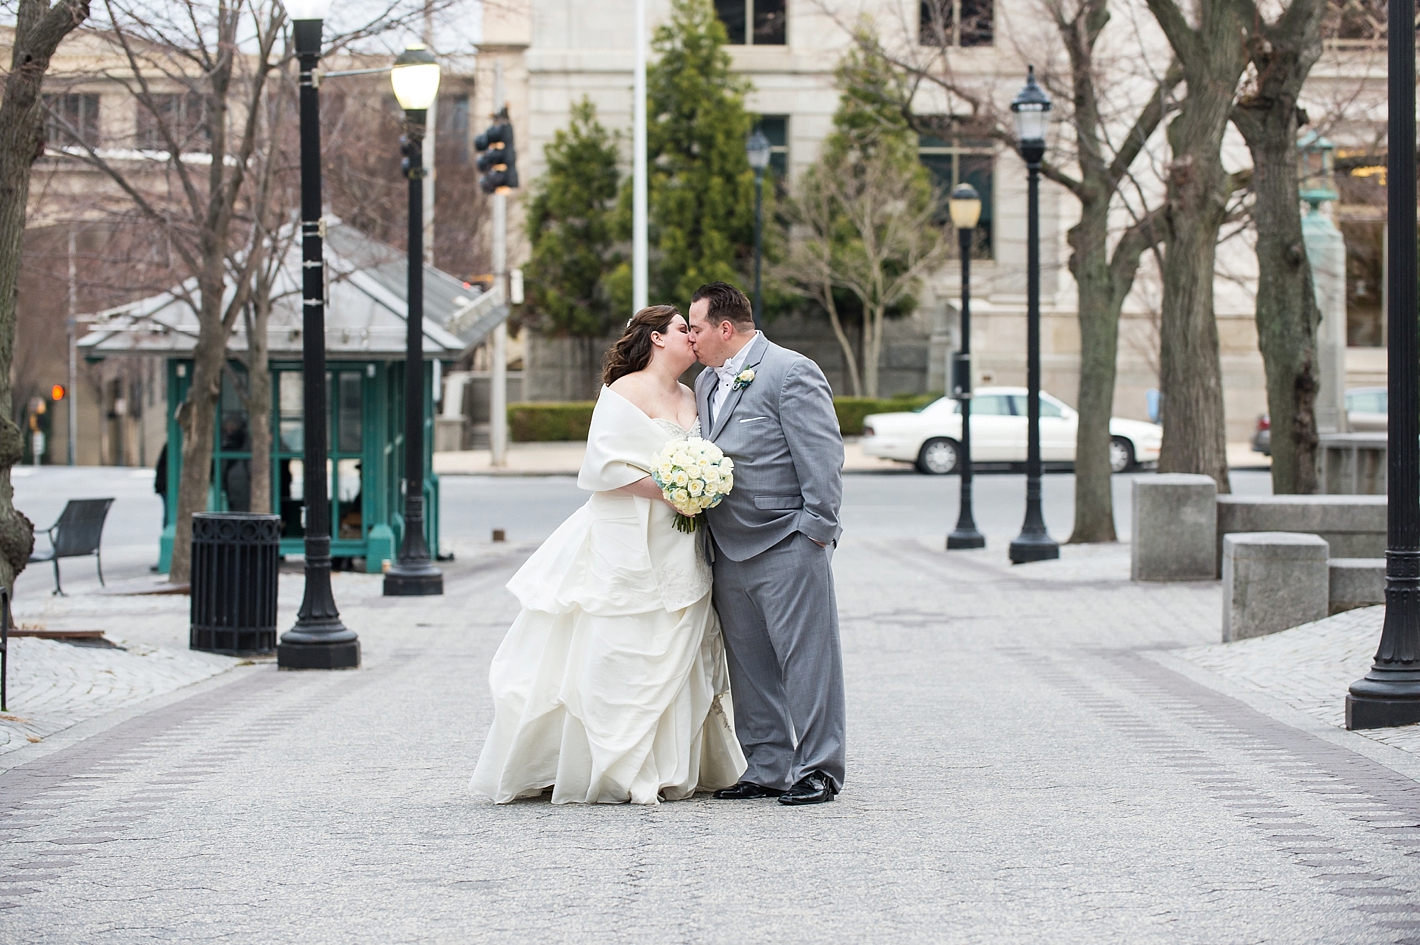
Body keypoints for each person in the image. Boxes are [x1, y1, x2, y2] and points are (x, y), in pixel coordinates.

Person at [470, 305, 746, 805]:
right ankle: (609, 763)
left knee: (680, 641)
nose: (693, 337)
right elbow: (600, 468)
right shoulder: (624, 393)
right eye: (684, 329)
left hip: (683, 543)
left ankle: (671, 765)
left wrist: (700, 489)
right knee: (619, 641)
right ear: (658, 339)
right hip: (627, 536)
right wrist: (672, 490)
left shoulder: (693, 394)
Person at [688, 282, 847, 806]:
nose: (691, 338)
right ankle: (768, 765)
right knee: (750, 667)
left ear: (725, 329)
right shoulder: (707, 384)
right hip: (729, 549)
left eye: (697, 328)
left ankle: (820, 768)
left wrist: (816, 532)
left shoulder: (790, 371)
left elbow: (821, 457)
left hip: (787, 543)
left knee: (807, 661)